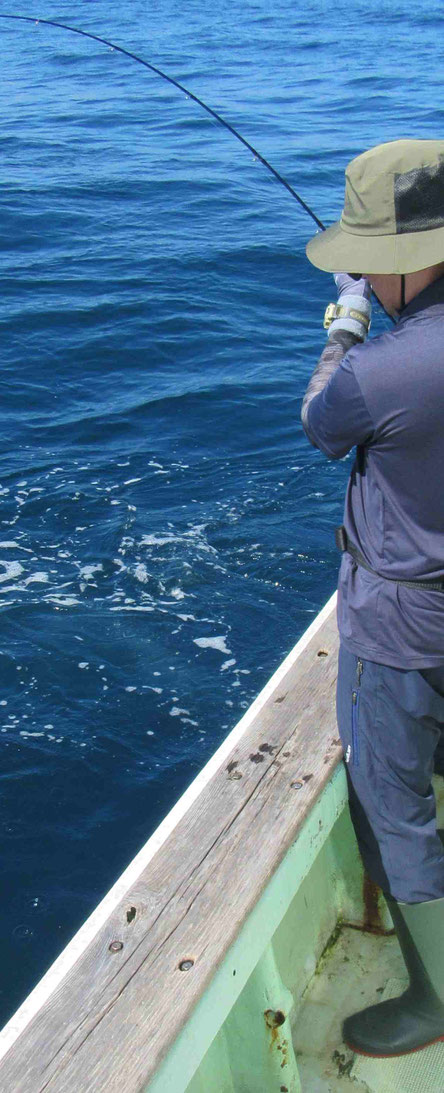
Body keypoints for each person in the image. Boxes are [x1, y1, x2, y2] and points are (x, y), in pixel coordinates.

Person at [302, 138, 444, 1058]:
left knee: (393, 803)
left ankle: (434, 1000)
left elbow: (321, 420)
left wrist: (347, 321)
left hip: (401, 623)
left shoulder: (385, 370)